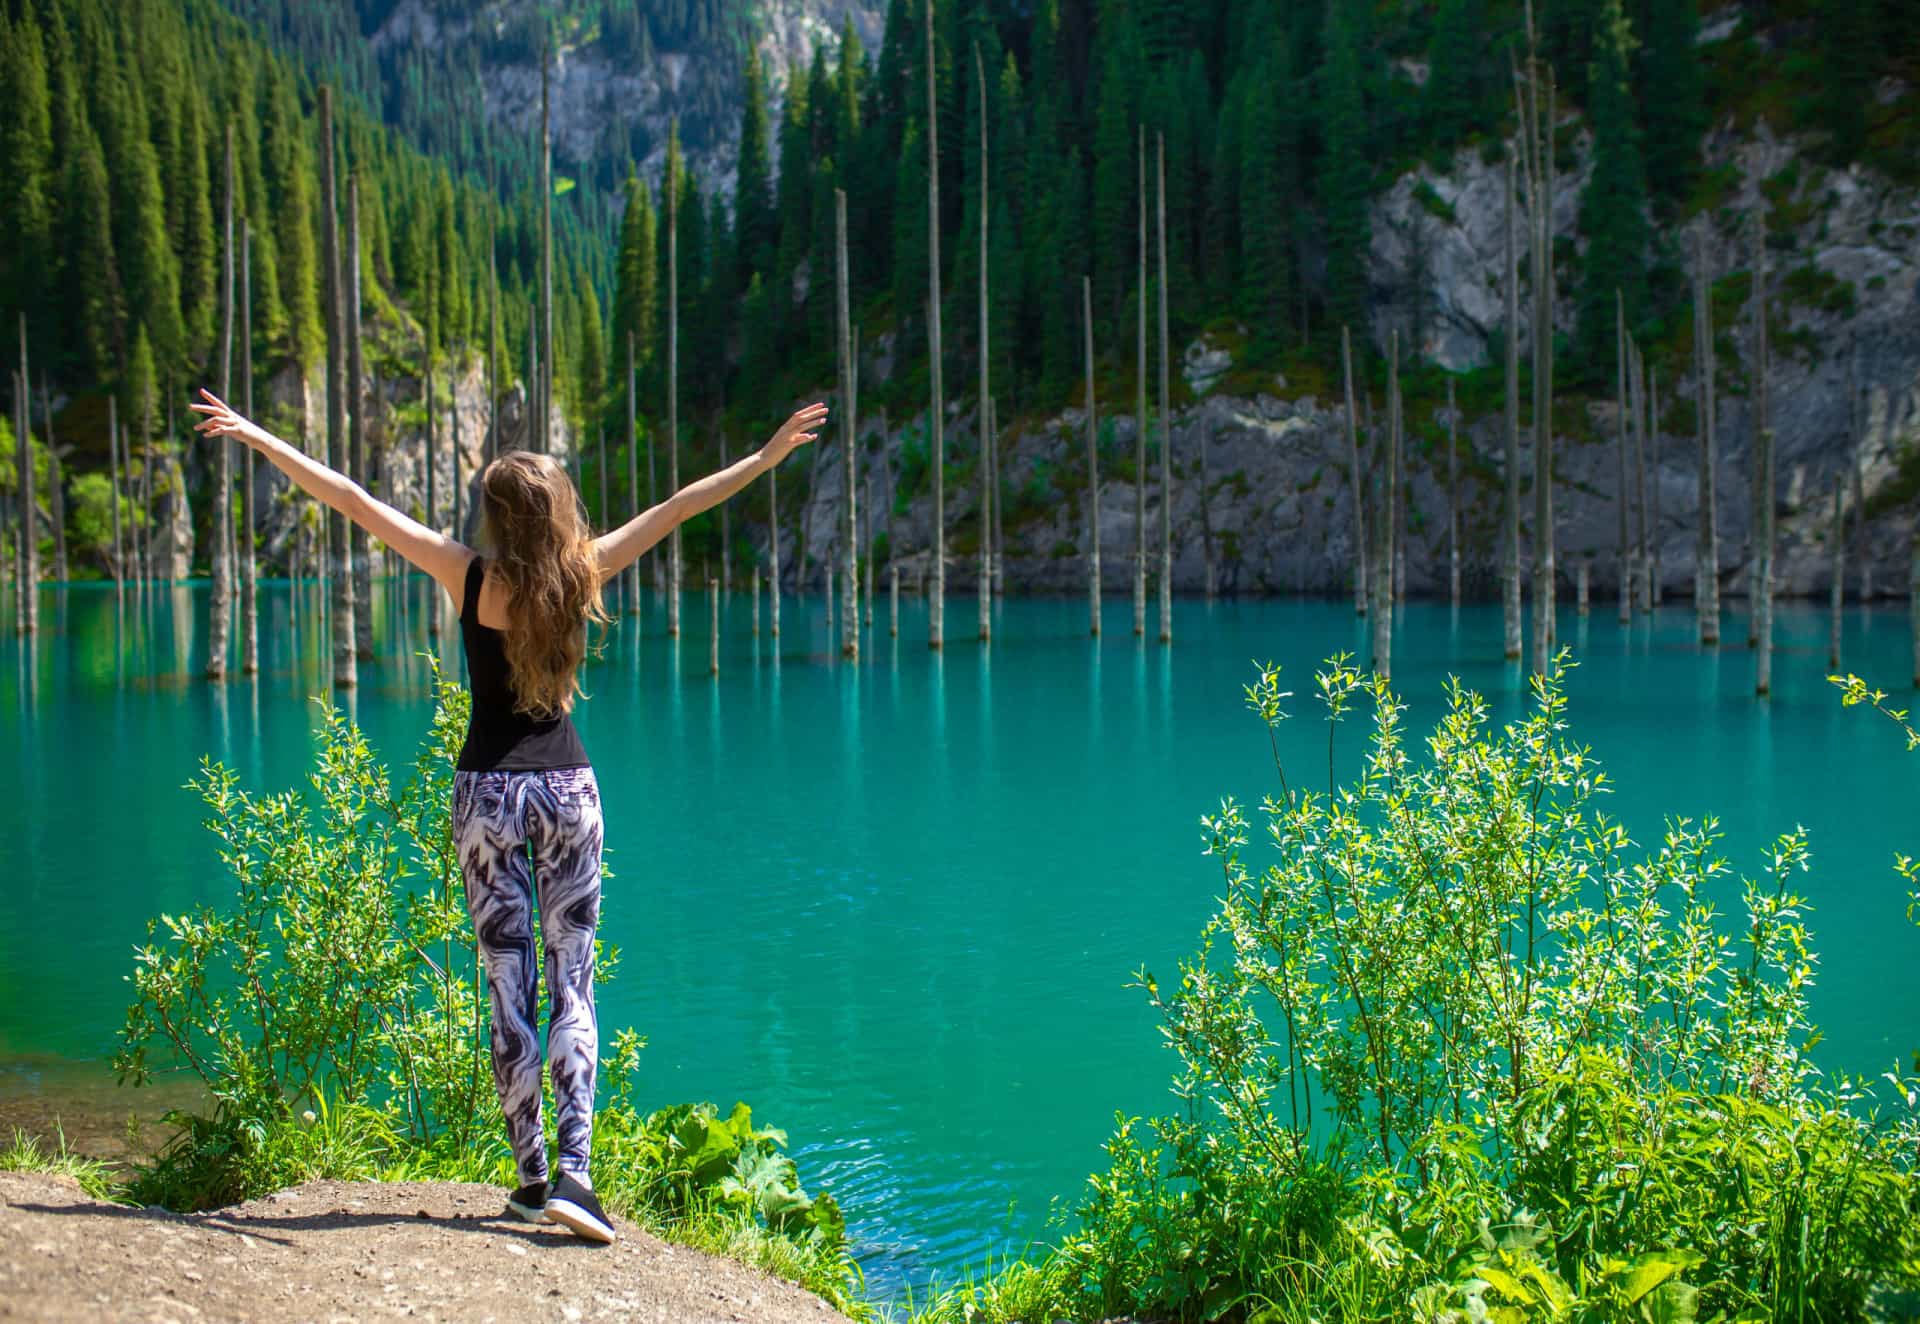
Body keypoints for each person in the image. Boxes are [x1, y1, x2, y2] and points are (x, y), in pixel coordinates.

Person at [192, 387, 826, 1243]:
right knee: (573, 981)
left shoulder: (466, 574)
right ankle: (575, 1177)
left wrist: (261, 438)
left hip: (486, 793)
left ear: (494, 517)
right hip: (569, 792)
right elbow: (681, 505)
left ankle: (531, 1178)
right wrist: (766, 456)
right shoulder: (584, 570)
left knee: (508, 985)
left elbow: (353, 499)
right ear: (558, 511)